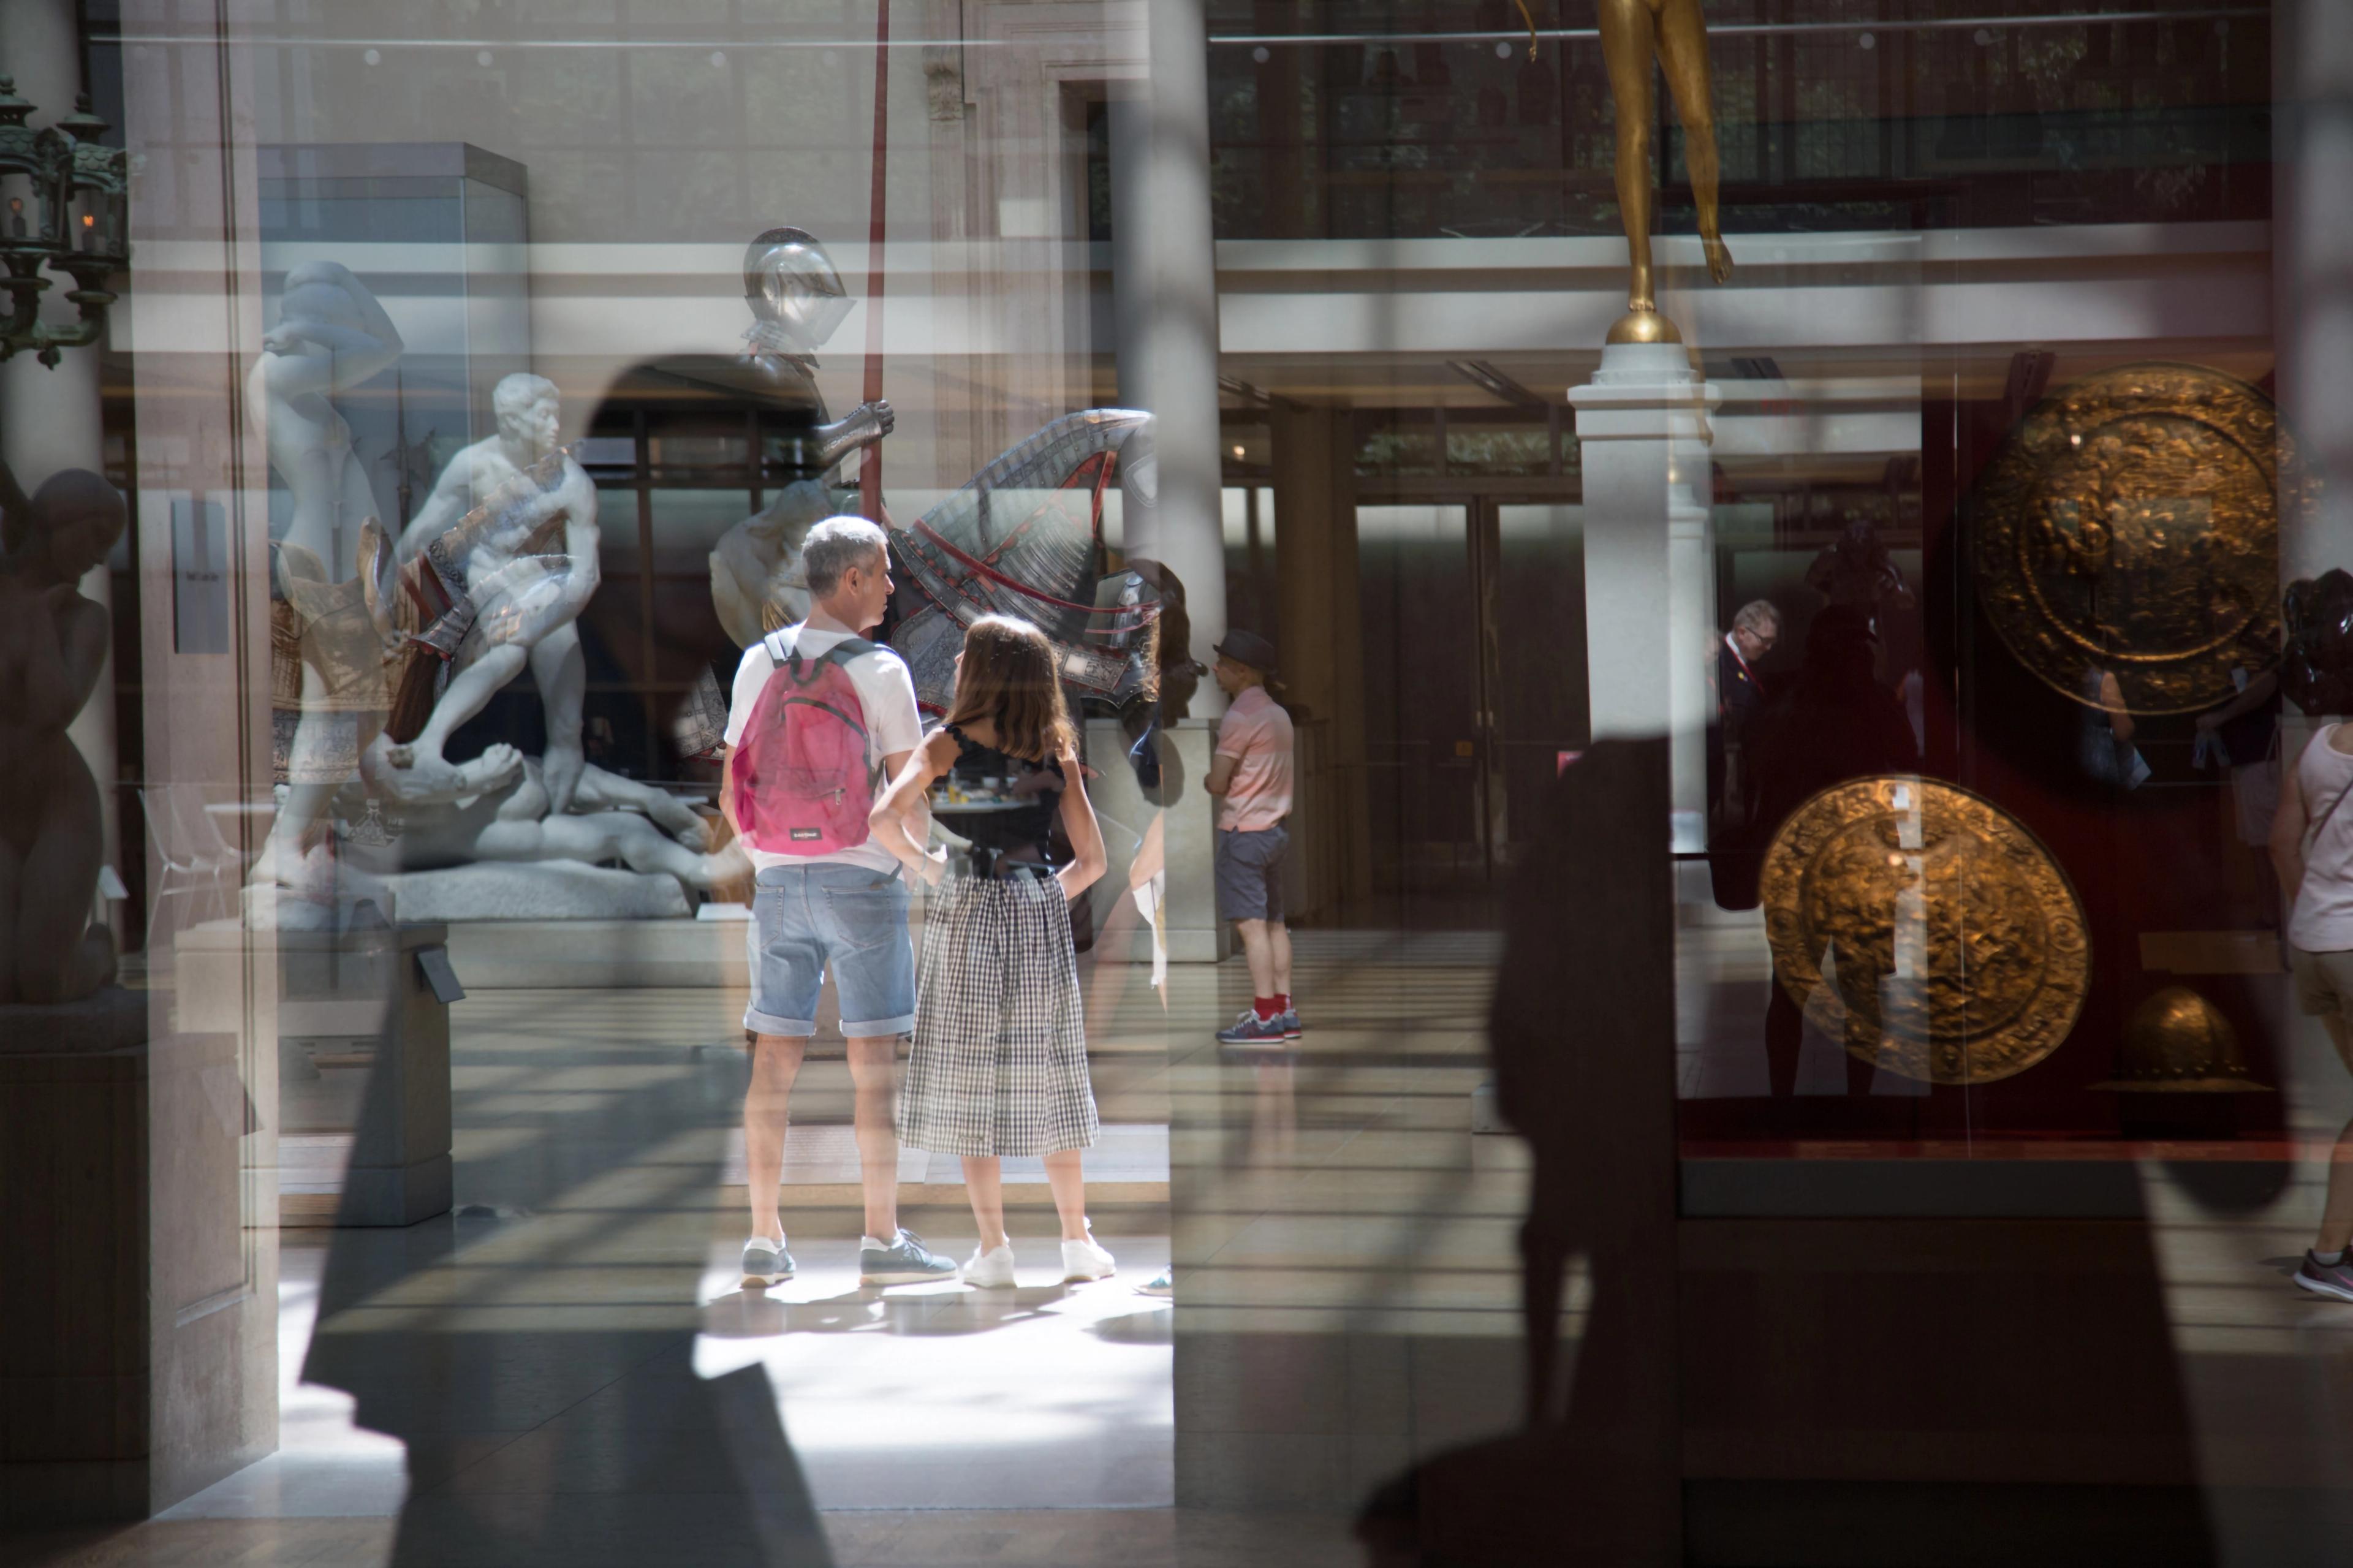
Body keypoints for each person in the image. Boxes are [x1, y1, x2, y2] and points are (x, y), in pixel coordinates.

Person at [720, 516, 957, 1290]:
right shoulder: (882, 670)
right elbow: (906, 793)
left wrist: (768, 858)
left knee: (772, 1066)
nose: (892, 588)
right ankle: (881, 1240)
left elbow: (732, 787)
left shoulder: (759, 661)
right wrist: (916, 863)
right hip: (863, 879)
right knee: (872, 1069)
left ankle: (763, 1238)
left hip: (780, 884)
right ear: (850, 579)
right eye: (884, 574)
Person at [870, 615, 1115, 1289]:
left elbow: (881, 820)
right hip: (1035, 904)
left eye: (965, 654)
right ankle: (1076, 1242)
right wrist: (1036, 898)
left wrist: (931, 872)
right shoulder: (1054, 749)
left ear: (982, 671)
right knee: (1051, 1069)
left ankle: (995, 1250)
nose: (954, 661)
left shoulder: (945, 745)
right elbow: (1092, 862)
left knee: (973, 1078)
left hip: (965, 903)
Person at [388, 373, 601, 814]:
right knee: (509, 654)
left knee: (566, 712)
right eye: (544, 415)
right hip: (492, 584)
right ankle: (429, 743)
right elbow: (420, 535)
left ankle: (566, 796)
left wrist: (535, 621)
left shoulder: (571, 482)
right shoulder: (474, 465)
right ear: (512, 422)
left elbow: (586, 578)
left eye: (557, 414)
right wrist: (383, 594)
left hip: (550, 592)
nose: (555, 425)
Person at [2270, 719, 2353, 1303]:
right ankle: (2327, 1254)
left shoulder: (2322, 742)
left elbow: (2281, 843)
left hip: (2316, 943)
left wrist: (2319, 911)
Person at [1205, 630, 1299, 1045]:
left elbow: (1219, 781)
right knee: (1275, 924)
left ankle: (1263, 1018)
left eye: (1222, 663)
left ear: (1241, 671)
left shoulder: (1240, 717)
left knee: (1252, 928)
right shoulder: (1279, 715)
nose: (1215, 669)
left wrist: (1209, 779)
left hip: (1244, 834)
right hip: (1275, 832)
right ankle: (1284, 1010)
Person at [1709, 599, 1778, 830]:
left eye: (1772, 642)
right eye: (1765, 641)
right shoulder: (1720, 663)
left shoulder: (1746, 662)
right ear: (1742, 633)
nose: (1769, 648)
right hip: (1725, 766)